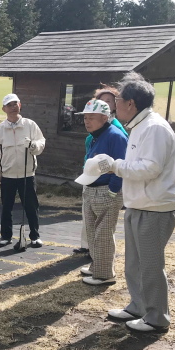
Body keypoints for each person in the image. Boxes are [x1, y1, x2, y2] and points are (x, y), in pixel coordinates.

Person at [95, 72, 175, 333]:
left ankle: (157, 318)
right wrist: (118, 166)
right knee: (134, 263)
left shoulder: (154, 128)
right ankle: (138, 306)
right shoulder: (139, 125)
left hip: (154, 208)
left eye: (118, 100)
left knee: (150, 265)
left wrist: (115, 166)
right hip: (139, 204)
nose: (114, 105)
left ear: (131, 103)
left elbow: (150, 168)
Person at [74, 100, 127, 285]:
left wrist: (113, 190)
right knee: (92, 232)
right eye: (85, 118)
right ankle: (97, 266)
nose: (87, 121)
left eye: (92, 118)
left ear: (104, 118)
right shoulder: (95, 136)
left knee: (103, 234)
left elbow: (122, 166)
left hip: (106, 190)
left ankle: (105, 275)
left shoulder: (115, 136)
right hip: (91, 188)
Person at [0, 94, 46, 248]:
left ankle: (35, 236)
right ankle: (6, 236)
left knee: (31, 207)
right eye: (9, 105)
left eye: (15, 104)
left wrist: (33, 145)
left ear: (20, 105)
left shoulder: (30, 125)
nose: (13, 107)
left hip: (27, 174)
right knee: (6, 208)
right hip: (7, 176)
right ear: (4, 109)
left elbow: (41, 143)